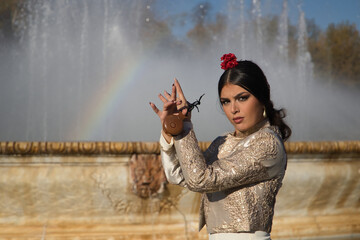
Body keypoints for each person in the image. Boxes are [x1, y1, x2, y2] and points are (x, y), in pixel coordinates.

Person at [149, 53, 291, 240]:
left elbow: (200, 180)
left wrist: (184, 129)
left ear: (262, 97)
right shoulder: (222, 142)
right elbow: (180, 175)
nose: (233, 109)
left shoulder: (268, 144)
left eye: (242, 98)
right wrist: (171, 130)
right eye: (226, 101)